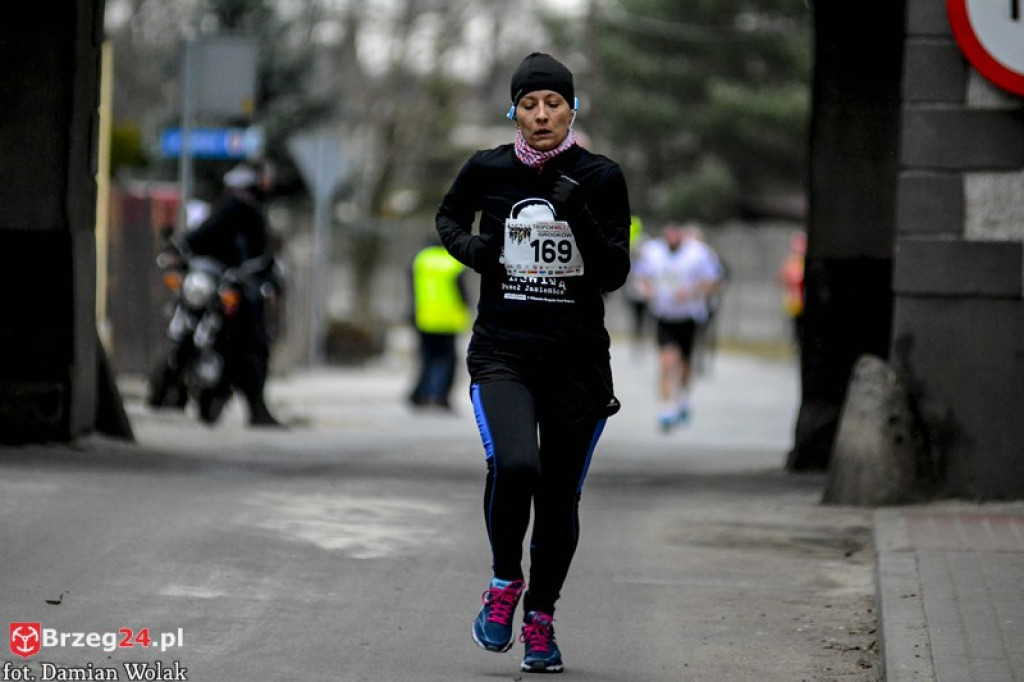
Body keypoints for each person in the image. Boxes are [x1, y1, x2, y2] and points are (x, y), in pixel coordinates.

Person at [435, 52, 631, 674]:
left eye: (553, 103)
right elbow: (447, 216)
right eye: (529, 104)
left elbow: (615, 273)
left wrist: (576, 214)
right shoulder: (487, 168)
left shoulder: (600, 176)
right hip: (504, 351)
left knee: (559, 498)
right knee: (516, 465)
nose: (542, 114)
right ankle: (503, 585)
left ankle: (541, 620)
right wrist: (474, 251)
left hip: (575, 361)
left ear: (574, 108)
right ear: (513, 111)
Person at [183, 159, 285, 427]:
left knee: (249, 347)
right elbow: (257, 253)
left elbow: (199, 237)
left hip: (234, 283)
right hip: (237, 288)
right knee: (254, 347)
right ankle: (256, 408)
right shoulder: (243, 206)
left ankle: (253, 405)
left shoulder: (232, 203)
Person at [634, 221, 724, 432]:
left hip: (689, 317)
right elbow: (641, 276)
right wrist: (646, 291)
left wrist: (693, 292)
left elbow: (714, 282)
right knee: (666, 360)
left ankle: (683, 398)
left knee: (684, 364)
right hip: (664, 316)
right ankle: (666, 409)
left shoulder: (699, 254)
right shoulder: (653, 252)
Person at [407, 237, 471, 410]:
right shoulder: (452, 262)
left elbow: (412, 288)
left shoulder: (421, 259)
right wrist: (467, 311)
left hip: (424, 317)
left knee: (427, 358)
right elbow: (462, 292)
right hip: (448, 320)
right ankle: (440, 397)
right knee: (447, 361)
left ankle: (419, 395)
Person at [778, 229, 806, 347]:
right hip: (794, 302)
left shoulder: (800, 261)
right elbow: (782, 278)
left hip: (802, 301)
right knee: (796, 328)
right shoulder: (791, 261)